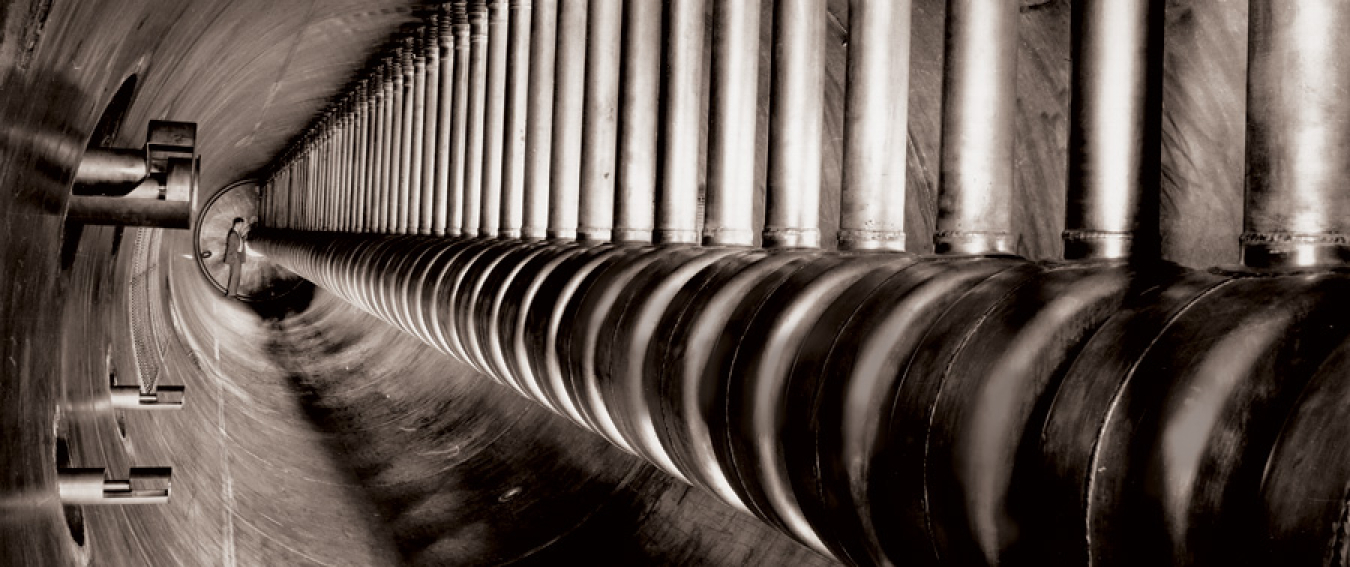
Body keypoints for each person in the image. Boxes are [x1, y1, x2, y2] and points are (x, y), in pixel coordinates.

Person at [224, 217, 247, 298]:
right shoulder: (233, 234)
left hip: (237, 256)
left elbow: (239, 243)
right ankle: (231, 294)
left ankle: (233, 292)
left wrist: (244, 237)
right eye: (241, 224)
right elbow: (232, 246)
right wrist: (234, 255)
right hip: (235, 257)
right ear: (237, 224)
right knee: (234, 275)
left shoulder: (236, 233)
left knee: (236, 275)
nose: (242, 226)